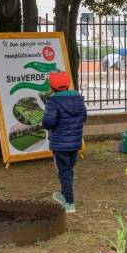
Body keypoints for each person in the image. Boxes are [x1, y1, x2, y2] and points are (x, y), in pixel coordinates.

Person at [42, 70, 87, 214]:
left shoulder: (53, 101)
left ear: (51, 86)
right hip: (74, 142)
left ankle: (69, 202)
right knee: (68, 170)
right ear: (67, 84)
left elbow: (48, 123)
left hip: (60, 144)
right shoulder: (78, 98)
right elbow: (84, 117)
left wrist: (43, 122)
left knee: (64, 171)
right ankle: (63, 194)